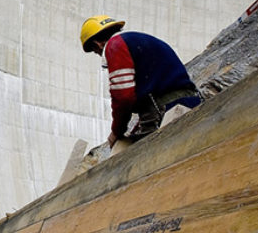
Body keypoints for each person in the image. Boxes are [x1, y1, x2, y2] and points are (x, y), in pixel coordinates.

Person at [80, 15, 202, 148]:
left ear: (97, 44)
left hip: (168, 111)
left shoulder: (115, 46)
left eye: (95, 52)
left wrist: (116, 131)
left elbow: (123, 97)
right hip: (189, 102)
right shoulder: (138, 40)